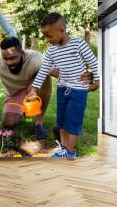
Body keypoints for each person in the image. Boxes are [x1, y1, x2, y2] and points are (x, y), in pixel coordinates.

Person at [29, 12, 100, 159]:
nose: (47, 39)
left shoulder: (78, 44)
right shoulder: (51, 51)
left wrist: (97, 81)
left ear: (61, 30)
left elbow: (93, 62)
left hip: (78, 90)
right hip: (62, 89)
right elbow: (44, 70)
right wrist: (34, 88)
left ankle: (70, 151)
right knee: (61, 121)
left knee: (72, 122)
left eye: (49, 36)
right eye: (45, 36)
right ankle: (63, 148)